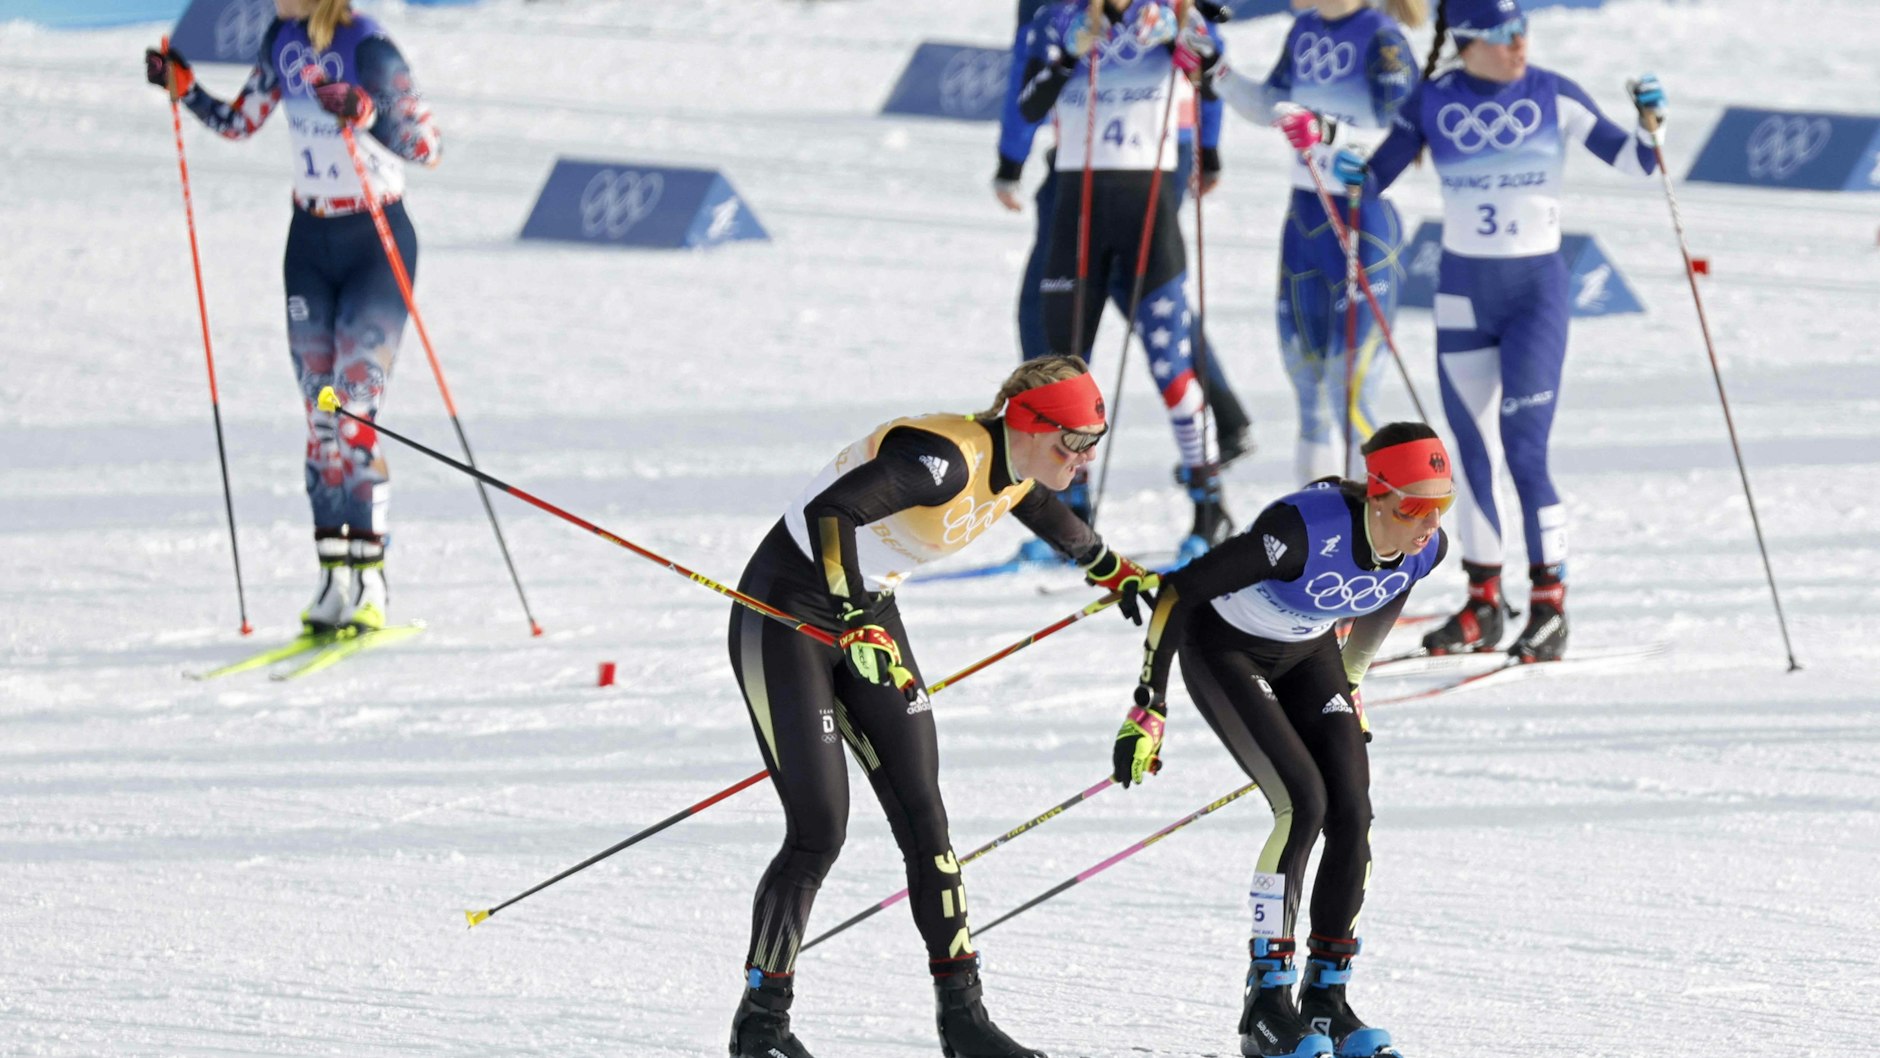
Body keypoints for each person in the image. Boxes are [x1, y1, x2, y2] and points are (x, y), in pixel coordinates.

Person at [726, 356, 1160, 1058]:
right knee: (819, 831)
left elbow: (1035, 502)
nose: (1083, 459)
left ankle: (964, 1020)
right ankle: (760, 1028)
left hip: (866, 611)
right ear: (1028, 423)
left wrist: (1107, 565)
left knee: (927, 819)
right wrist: (850, 615)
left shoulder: (1018, 465)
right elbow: (828, 510)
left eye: (1093, 443)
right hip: (785, 614)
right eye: (1073, 442)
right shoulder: (942, 459)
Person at [1323, 0, 1666, 661]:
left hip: (1534, 294)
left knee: (1525, 451)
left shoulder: (1553, 93)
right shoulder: (1433, 99)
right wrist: (1339, 165)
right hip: (1461, 295)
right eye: (1506, 35)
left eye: (1523, 31)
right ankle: (1483, 603)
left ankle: (1549, 605)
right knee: (1467, 455)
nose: (1519, 45)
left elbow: (1637, 161)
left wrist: (1651, 121)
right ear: (1472, 41)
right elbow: (1376, 178)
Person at [1111, 422, 1454, 1058]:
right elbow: (1179, 592)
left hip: (1308, 654)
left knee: (1353, 808)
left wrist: (1351, 683)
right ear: (1376, 495)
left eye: (1441, 504)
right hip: (1227, 652)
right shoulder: (1303, 533)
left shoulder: (1424, 550)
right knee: (1304, 802)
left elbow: (1383, 596)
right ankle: (1266, 1003)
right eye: (1413, 505)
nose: (1427, 522)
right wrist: (1149, 706)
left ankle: (1327, 1001)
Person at [145, 0, 441, 634]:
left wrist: (364, 113)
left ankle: (371, 581)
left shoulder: (369, 44)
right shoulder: (282, 37)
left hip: (375, 242)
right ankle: (332, 578)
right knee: (319, 419)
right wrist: (187, 90)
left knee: (354, 415)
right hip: (309, 245)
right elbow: (242, 121)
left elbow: (425, 143)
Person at [995, 0, 1253, 515]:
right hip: (1077, 207)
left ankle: (1210, 507)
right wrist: (1065, 62)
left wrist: (1211, 149)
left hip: (1147, 203)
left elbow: (1213, 76)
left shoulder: (1175, 13)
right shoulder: (1060, 17)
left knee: (1170, 364)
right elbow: (1024, 101)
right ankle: (1071, 512)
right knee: (1063, 369)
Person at [1208, 0, 1424, 485]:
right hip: (1305, 224)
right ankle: (1319, 525)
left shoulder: (1382, 37)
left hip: (1362, 223)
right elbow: (1271, 105)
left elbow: (1405, 136)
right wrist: (1215, 71)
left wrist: (1331, 131)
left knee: (1351, 393)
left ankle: (1371, 526)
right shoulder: (1304, 29)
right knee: (1308, 391)